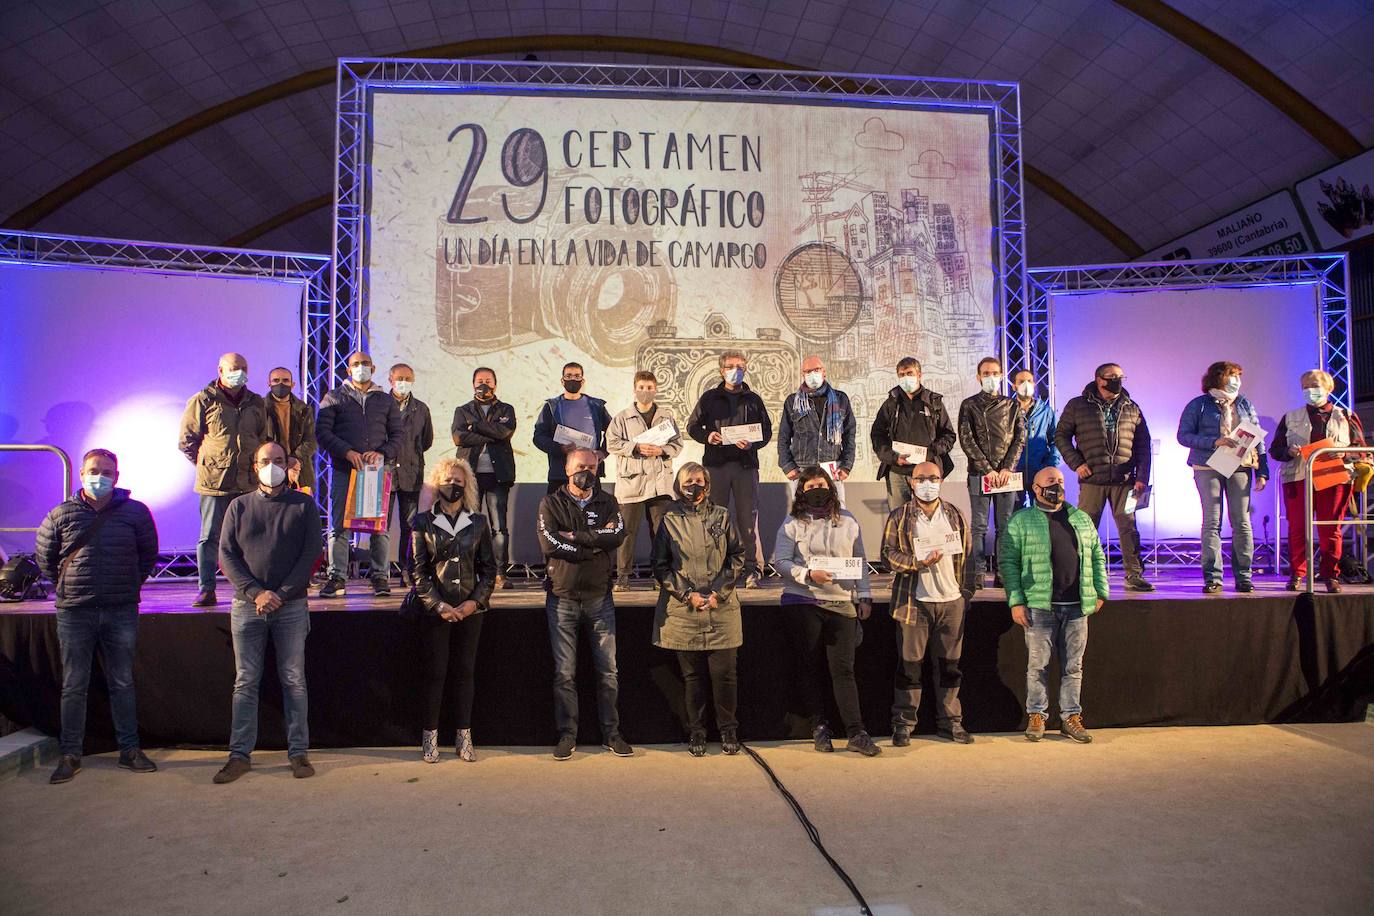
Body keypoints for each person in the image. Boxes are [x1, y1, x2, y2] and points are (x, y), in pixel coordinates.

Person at [35, 448, 159, 784]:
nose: (99, 476)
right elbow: (46, 559)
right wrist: (69, 585)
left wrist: (129, 582)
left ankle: (129, 750)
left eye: (106, 471)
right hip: (75, 611)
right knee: (74, 685)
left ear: (116, 477)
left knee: (122, 682)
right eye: (93, 470)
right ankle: (70, 753)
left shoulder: (135, 513)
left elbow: (148, 555)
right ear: (82, 474)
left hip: (120, 608)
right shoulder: (61, 514)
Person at [213, 441, 323, 784]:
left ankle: (298, 752)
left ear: (287, 465)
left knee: (293, 680)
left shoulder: (304, 506)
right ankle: (239, 755)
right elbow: (226, 556)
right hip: (247, 607)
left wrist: (282, 593)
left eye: (278, 460)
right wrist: (256, 592)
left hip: (290, 607)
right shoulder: (238, 507)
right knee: (245, 681)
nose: (271, 466)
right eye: (265, 460)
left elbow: (311, 555)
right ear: (254, 464)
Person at [771, 466, 879, 757]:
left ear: (831, 487)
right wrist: (808, 574)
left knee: (843, 670)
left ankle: (856, 731)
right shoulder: (792, 523)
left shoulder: (848, 520)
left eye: (821, 484)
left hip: (841, 602)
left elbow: (860, 559)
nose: (816, 490)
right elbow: (780, 562)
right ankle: (819, 727)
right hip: (803, 601)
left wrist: (865, 596)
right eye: (810, 487)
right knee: (809, 668)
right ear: (801, 492)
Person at [1000, 467, 1108, 744]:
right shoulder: (1020, 521)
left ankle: (1070, 717)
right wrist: (1016, 601)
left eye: (1060, 481)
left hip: (1076, 606)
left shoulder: (1080, 518)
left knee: (1073, 667)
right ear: (1035, 488)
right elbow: (1009, 564)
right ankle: (1037, 715)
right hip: (1039, 607)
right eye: (1050, 482)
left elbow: (1097, 556)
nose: (1057, 486)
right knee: (1038, 666)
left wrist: (1100, 592)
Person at [537, 447, 633, 760]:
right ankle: (567, 735)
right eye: (581, 466)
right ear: (567, 469)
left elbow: (616, 535)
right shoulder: (551, 502)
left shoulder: (608, 501)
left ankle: (612, 734)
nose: (587, 472)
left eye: (592, 467)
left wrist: (576, 536)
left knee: (609, 671)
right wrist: (589, 546)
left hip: (599, 598)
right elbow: (549, 542)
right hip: (562, 598)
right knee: (565, 673)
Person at [652, 463, 746, 757]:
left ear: (707, 483)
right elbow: (661, 565)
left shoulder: (723, 515)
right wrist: (687, 594)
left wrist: (719, 592)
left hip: (721, 608)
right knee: (693, 678)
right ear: (679, 485)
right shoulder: (668, 519)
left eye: (700, 480)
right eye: (688, 481)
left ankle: (728, 729)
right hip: (685, 611)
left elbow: (737, 555)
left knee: (725, 676)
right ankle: (697, 732)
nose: (695, 485)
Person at [881, 461, 974, 746]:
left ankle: (951, 722)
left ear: (941, 480)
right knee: (909, 667)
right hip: (914, 602)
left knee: (950, 667)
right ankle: (904, 724)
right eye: (921, 478)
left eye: (933, 477)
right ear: (911, 482)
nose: (927, 483)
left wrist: (965, 593)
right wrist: (915, 563)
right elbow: (887, 555)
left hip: (951, 602)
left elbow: (968, 556)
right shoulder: (900, 516)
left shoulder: (955, 515)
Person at [411, 457, 497, 763]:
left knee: (465, 673)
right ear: (437, 483)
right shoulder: (421, 522)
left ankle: (464, 736)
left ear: (467, 485)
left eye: (459, 481)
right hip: (436, 611)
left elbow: (489, 570)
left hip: (471, 611)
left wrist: (474, 602)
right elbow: (418, 572)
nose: (453, 485)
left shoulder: (479, 522)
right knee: (435, 673)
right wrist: (439, 605)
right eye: (448, 480)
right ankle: (430, 737)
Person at [1054, 362, 1155, 592]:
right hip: (1092, 479)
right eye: (1111, 376)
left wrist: (1142, 477)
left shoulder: (1132, 407)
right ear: (1099, 379)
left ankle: (1134, 575)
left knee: (1129, 528)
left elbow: (1143, 445)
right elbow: (1061, 436)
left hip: (1125, 479)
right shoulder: (1078, 406)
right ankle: (1082, 576)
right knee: (1085, 529)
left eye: (1120, 376)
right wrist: (1077, 463)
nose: (1117, 380)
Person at [178, 352, 267, 607]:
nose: (239, 372)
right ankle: (207, 588)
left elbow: (263, 437)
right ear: (220, 370)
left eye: (243, 367)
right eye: (234, 367)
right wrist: (207, 463)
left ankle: (252, 588)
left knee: (251, 535)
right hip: (214, 482)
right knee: (210, 537)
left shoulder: (256, 402)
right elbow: (187, 441)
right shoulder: (203, 400)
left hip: (248, 481)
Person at [1269, 369, 1367, 593]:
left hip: (1335, 479)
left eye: (1314, 386)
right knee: (1298, 528)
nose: (1310, 391)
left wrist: (1343, 454)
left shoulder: (1346, 416)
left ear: (1328, 388)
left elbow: (1361, 450)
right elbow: (1275, 450)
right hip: (1298, 478)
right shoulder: (1290, 416)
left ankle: (1331, 574)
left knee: (1330, 528)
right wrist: (1288, 451)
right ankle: (1297, 574)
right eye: (1305, 387)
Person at [1176, 361, 1270, 594]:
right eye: (1231, 376)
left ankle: (1244, 576)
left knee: (1242, 521)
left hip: (1240, 465)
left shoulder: (1244, 403)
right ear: (1217, 378)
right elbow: (1183, 436)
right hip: (1207, 467)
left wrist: (1263, 469)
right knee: (1212, 521)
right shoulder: (1198, 405)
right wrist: (1213, 442)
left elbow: (1257, 436)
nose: (1236, 381)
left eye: (1238, 376)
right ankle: (1213, 577)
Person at [315, 351, 402, 598]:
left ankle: (379, 577)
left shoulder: (385, 400)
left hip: (377, 471)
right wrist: (347, 452)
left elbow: (397, 435)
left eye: (365, 364)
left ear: (373, 369)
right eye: (356, 364)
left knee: (379, 528)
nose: (360, 367)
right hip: (345, 470)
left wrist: (382, 452)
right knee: (339, 526)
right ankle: (337, 577)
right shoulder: (334, 397)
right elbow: (322, 432)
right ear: (348, 370)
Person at [686, 350, 773, 588]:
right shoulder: (709, 398)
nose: (735, 370)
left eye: (740, 366)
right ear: (721, 370)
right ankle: (717, 568)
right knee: (715, 518)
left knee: (748, 520)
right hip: (716, 466)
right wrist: (708, 436)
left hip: (745, 466)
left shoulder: (753, 399)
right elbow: (692, 426)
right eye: (730, 366)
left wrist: (752, 443)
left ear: (746, 368)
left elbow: (766, 432)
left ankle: (752, 568)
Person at [606, 370, 683, 591]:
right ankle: (622, 577)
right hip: (632, 484)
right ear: (634, 389)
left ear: (656, 389)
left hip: (659, 484)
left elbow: (677, 444)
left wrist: (662, 449)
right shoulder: (622, 417)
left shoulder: (666, 417)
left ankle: (660, 577)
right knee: (626, 532)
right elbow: (611, 443)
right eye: (641, 388)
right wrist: (635, 447)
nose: (645, 392)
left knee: (660, 533)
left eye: (649, 388)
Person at [957, 357, 1026, 591]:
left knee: (1005, 526)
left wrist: (1007, 467)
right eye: (986, 373)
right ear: (978, 377)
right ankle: (977, 572)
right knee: (979, 526)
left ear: (1002, 375)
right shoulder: (969, 405)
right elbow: (966, 438)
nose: (991, 377)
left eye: (995, 372)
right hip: (979, 473)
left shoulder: (1012, 405)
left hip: (1007, 476)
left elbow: (1020, 438)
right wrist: (987, 469)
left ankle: (1003, 572)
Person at [452, 367, 517, 589]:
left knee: (499, 527)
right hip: (469, 476)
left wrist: (476, 426)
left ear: (495, 384)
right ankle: (471, 572)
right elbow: (459, 437)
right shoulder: (462, 410)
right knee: (470, 524)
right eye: (480, 381)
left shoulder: (506, 408)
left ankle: (500, 574)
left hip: (499, 476)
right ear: (473, 384)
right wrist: (492, 430)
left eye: (488, 381)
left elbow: (504, 433)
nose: (484, 384)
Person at [870, 357, 957, 513]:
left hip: (927, 473)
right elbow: (877, 435)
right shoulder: (891, 403)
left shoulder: (934, 402)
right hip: (897, 472)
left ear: (919, 375)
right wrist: (892, 457)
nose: (905, 378)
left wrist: (931, 453)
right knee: (899, 519)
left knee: (927, 517)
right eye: (901, 375)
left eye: (909, 373)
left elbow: (948, 435)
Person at [778, 355, 857, 505]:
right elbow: (783, 436)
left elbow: (849, 434)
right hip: (801, 470)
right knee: (802, 517)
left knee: (837, 514)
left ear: (824, 372)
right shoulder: (792, 401)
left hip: (832, 469)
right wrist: (787, 466)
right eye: (807, 371)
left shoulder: (841, 399)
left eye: (816, 370)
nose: (812, 374)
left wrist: (846, 466)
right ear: (803, 374)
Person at [387, 363, 435, 587]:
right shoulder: (380, 405)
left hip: (411, 473)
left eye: (408, 378)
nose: (403, 382)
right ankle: (381, 574)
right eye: (400, 378)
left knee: (410, 526)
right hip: (384, 473)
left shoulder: (421, 409)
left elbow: (426, 441)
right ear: (390, 380)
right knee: (381, 526)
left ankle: (407, 571)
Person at [533, 361, 612, 494]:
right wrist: (559, 449)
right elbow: (539, 437)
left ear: (583, 380)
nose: (573, 379)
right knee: (557, 512)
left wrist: (603, 452)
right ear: (562, 380)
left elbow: (613, 432)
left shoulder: (596, 406)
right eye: (568, 376)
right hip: (560, 472)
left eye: (577, 376)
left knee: (593, 513)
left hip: (590, 472)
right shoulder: (552, 407)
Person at [262, 366, 317, 491]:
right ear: (269, 383)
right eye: (276, 380)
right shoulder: (259, 408)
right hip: (269, 468)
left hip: (299, 469)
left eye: (285, 380)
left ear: (293, 384)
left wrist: (294, 459)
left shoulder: (304, 409)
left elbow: (311, 440)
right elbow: (257, 438)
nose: (281, 384)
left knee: (301, 508)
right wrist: (276, 459)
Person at [1011, 369, 1059, 508]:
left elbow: (1055, 440)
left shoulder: (1045, 411)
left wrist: (1050, 465)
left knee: (1042, 510)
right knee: (1014, 514)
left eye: (1029, 381)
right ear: (1014, 386)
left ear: (1034, 384)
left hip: (1039, 471)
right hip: (1014, 472)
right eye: (1021, 382)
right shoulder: (1007, 410)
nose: (1026, 384)